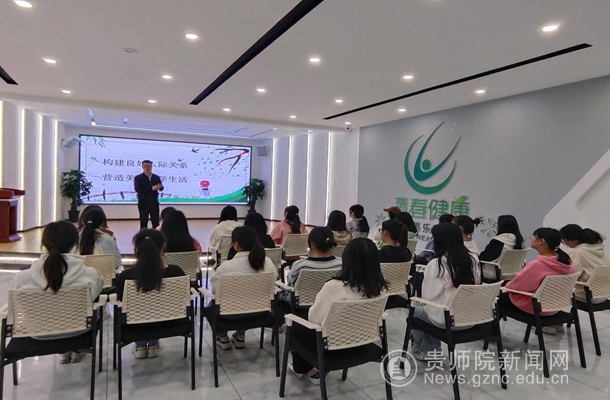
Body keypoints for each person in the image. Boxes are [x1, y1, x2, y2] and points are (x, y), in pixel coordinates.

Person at [289, 238, 387, 384]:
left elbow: (314, 319)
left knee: (294, 327)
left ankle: (306, 369)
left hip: (331, 347)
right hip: (361, 344)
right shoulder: (380, 288)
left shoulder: (333, 286)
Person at [10, 221, 103, 364]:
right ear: (75, 244)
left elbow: (18, 305)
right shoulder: (90, 275)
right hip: (79, 331)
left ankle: (62, 352)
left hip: (36, 333)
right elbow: (94, 296)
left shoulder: (21, 279)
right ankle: (76, 350)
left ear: (43, 244)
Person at [411, 224, 480, 360]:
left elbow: (427, 297)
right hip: (472, 318)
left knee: (417, 310)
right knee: (434, 309)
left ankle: (426, 348)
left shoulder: (437, 264)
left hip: (448, 321)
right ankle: (428, 347)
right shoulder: (473, 260)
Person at [114, 229, 186, 359]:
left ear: (136, 249)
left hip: (134, 327)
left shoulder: (125, 277)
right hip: (170, 324)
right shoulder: (176, 272)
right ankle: (154, 344)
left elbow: (119, 300)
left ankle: (140, 346)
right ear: (162, 248)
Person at [210, 226, 277, 350]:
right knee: (247, 299)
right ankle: (240, 335)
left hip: (228, 314)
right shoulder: (267, 262)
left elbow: (215, 291)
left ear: (235, 245)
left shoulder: (226, 267)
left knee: (212, 304)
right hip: (260, 312)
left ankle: (222, 337)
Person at [498, 228, 573, 335]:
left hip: (538, 308)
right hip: (555, 307)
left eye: (533, 236)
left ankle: (490, 333)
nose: (531, 238)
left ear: (541, 241)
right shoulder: (566, 262)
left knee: (499, 300)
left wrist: (507, 285)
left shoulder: (537, 265)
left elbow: (515, 286)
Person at [560, 224, 610, 304]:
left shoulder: (577, 252)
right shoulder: (599, 250)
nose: (565, 244)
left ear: (572, 240)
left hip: (586, 297)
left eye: (564, 241)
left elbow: (571, 275)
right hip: (604, 295)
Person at [479, 215, 525, 279]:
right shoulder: (519, 241)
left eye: (497, 223)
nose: (496, 225)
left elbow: (485, 257)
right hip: (514, 274)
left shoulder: (498, 241)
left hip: (495, 274)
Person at [134, 160, 164, 229]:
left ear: (151, 167)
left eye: (149, 166)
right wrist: (152, 188)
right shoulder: (138, 178)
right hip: (143, 203)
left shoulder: (156, 177)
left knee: (156, 221)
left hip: (154, 202)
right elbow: (138, 189)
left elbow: (161, 188)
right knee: (143, 221)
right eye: (145, 166)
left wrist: (160, 187)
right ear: (142, 167)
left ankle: (156, 235)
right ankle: (143, 235)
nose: (147, 168)